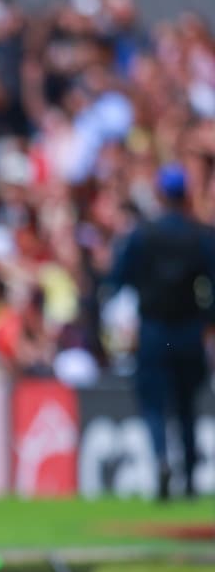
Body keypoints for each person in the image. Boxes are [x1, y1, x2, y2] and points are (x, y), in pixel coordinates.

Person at [108, 164, 215, 500]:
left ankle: (161, 459)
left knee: (154, 404)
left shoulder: (143, 235)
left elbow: (118, 278)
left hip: (155, 331)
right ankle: (190, 476)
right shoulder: (200, 235)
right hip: (189, 330)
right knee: (186, 405)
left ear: (159, 194)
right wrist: (208, 320)